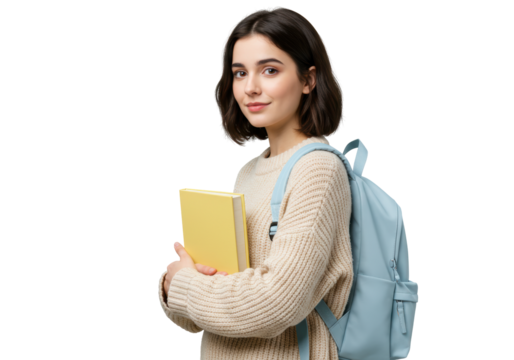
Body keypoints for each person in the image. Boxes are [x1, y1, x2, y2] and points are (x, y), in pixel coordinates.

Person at [157, 5, 351, 360]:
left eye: (270, 70)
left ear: (309, 80)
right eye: (240, 73)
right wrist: (176, 285)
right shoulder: (248, 171)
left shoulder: (318, 169)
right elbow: (207, 306)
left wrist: (183, 284)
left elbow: (276, 304)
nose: (251, 88)